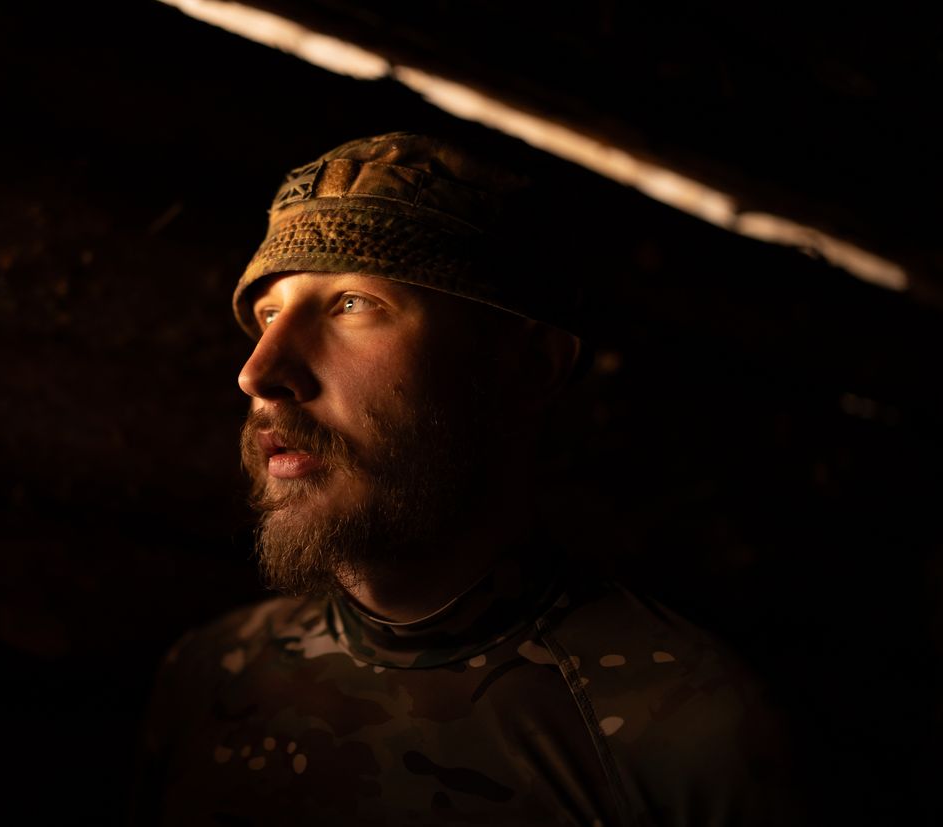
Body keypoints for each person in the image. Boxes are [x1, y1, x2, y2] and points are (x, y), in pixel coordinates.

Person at [134, 132, 796, 825]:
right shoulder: (209, 675)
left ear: (527, 366)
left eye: (353, 303)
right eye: (268, 313)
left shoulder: (690, 733)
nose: (260, 373)